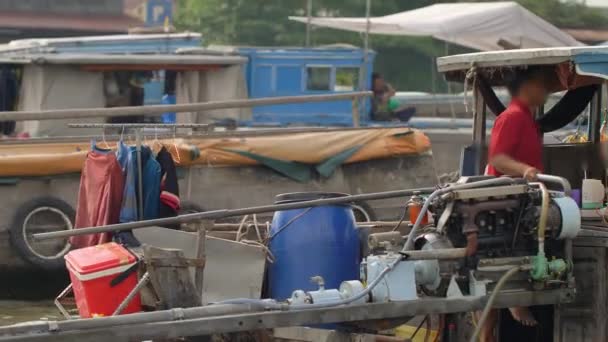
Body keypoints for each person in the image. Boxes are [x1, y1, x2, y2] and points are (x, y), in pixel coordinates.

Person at [480, 66, 550, 342]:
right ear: (527, 87)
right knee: (495, 283)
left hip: (522, 205)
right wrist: (524, 170)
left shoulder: (528, 119)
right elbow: (497, 158)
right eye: (541, 85)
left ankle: (514, 301)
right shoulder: (512, 117)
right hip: (504, 207)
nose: (544, 92)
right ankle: (514, 301)